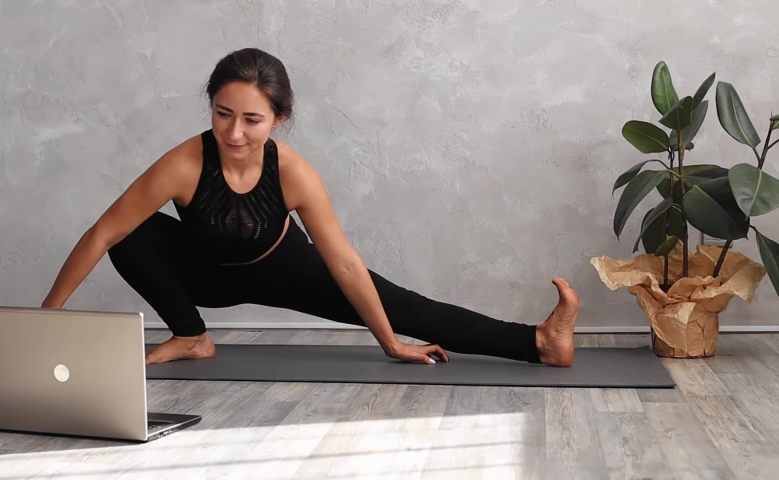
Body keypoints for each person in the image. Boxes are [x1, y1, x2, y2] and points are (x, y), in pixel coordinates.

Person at [41, 47, 580, 367]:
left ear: (277, 119)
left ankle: (538, 342)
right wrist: (46, 320)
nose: (233, 131)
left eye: (251, 119)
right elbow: (102, 234)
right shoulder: (183, 162)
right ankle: (190, 335)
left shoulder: (292, 171)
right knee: (130, 235)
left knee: (405, 307)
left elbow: (343, 262)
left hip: (284, 269)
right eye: (222, 113)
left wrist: (390, 343)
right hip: (206, 272)